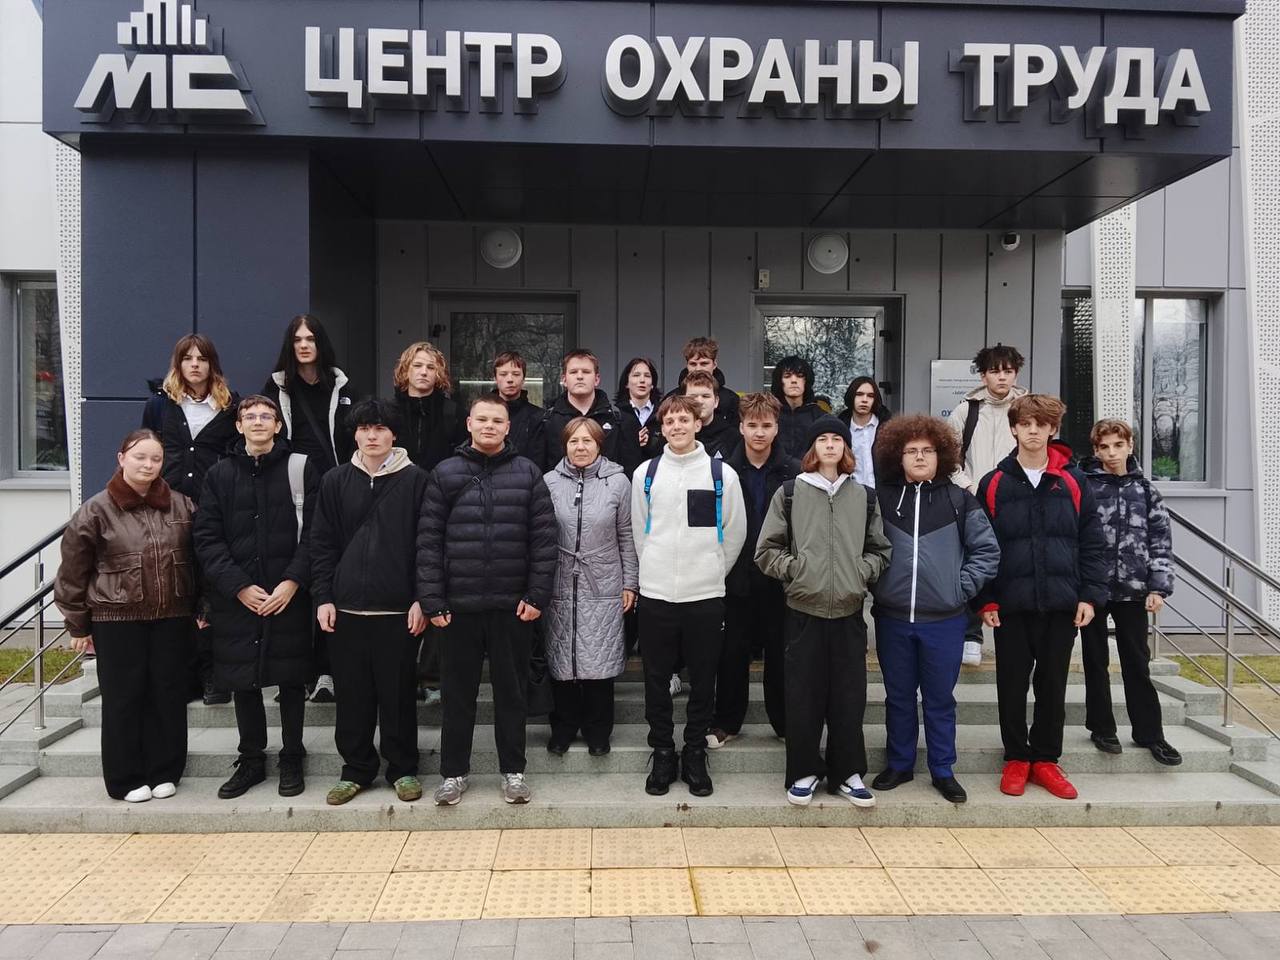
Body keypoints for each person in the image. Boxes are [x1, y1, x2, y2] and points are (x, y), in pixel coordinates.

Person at [418, 394, 559, 806]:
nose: (489, 426)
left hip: (512, 607)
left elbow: (544, 541)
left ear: (507, 427)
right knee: (457, 695)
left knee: (511, 695)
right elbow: (428, 541)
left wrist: (536, 595)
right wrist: (432, 600)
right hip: (457, 609)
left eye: (497, 420)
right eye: (482, 419)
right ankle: (453, 774)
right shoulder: (445, 473)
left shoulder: (528, 473)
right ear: (469, 424)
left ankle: (513, 772)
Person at [976, 394, 1108, 801]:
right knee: (1011, 684)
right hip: (1011, 605)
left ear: (1053, 429)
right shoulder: (993, 483)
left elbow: (1092, 543)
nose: (1033, 431)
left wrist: (1089, 596)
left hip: (1061, 603)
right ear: (1014, 428)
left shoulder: (1074, 481)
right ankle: (1017, 757)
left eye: (1041, 424)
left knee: (1052, 684)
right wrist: (987, 599)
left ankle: (1047, 759)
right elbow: (981, 546)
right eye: (1026, 424)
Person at [756, 416, 892, 808]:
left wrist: (860, 572)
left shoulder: (864, 496)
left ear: (846, 448)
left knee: (849, 697)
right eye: (822, 439)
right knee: (804, 697)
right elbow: (766, 550)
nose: (830, 445)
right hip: (804, 611)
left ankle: (848, 772)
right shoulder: (790, 493)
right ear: (812, 448)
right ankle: (804, 770)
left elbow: (880, 550)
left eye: (837, 439)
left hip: (848, 612)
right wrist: (797, 571)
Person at [55, 430, 196, 803]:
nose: (148, 465)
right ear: (121, 458)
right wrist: (77, 624)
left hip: (172, 615)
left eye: (155, 459)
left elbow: (198, 560)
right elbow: (72, 572)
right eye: (140, 457)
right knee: (123, 698)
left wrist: (202, 608)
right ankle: (125, 778)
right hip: (116, 619)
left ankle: (165, 770)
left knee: (168, 695)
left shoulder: (181, 505)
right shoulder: (96, 510)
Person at [869, 415, 1001, 805]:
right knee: (898, 697)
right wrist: (877, 585)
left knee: (940, 699)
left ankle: (943, 770)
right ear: (897, 456)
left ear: (941, 455)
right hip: (893, 618)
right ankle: (900, 764)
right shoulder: (882, 500)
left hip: (944, 620)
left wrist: (959, 589)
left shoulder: (960, 500)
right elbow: (864, 548)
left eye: (927, 450)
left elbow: (987, 551)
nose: (920, 457)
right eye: (911, 451)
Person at [193, 395, 320, 799]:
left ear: (278, 425)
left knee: (291, 678)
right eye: (250, 416)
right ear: (239, 425)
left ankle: (292, 755)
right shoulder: (219, 474)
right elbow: (207, 538)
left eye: (267, 416)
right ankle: (251, 758)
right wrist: (238, 586)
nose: (259, 422)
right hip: (238, 597)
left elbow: (317, 533)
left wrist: (293, 581)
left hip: (289, 593)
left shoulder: (300, 468)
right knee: (243, 680)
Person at [311, 398, 429, 806]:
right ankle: (356, 769)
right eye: (364, 428)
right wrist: (323, 596)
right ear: (355, 434)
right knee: (352, 695)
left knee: (398, 695)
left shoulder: (417, 480)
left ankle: (403, 768)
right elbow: (321, 544)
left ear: (394, 434)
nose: (372, 435)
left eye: (380, 428)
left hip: (398, 610)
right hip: (345, 609)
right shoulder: (335, 480)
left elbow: (427, 545)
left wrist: (422, 599)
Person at [632, 395, 746, 798]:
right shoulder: (646, 473)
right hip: (657, 594)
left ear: (698, 424)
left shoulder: (721, 474)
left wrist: (711, 572)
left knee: (703, 678)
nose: (677, 426)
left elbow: (734, 532)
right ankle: (663, 750)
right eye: (670, 421)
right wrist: (654, 571)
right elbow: (640, 531)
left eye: (684, 419)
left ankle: (695, 751)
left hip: (705, 595)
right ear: (661, 428)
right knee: (655, 678)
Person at [141, 333, 239, 706]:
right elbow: (146, 452)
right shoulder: (160, 406)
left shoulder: (229, 406)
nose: (195, 364)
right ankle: (182, 676)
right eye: (187, 358)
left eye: (202, 358)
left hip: (215, 510)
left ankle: (214, 674)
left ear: (213, 364)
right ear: (178, 363)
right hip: (168, 509)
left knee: (212, 590)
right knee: (175, 589)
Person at [1080, 419, 1182, 766]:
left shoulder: (1146, 491)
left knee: (1137, 662)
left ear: (1130, 446)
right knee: (1095, 660)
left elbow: (1161, 542)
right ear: (1096, 450)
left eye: (1118, 445)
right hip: (1094, 590)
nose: (1112, 453)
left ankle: (1150, 733)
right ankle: (1101, 727)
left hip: (1134, 591)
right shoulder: (1084, 487)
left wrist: (1158, 587)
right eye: (1104, 447)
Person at [264, 313, 354, 703]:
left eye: (310, 339)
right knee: (296, 575)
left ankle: (328, 671)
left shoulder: (341, 385)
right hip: (293, 488)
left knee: (330, 577)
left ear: (320, 343)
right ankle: (297, 672)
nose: (304, 345)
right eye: (298, 339)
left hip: (335, 488)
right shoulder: (276, 386)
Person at [543, 418, 639, 756]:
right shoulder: (550, 482)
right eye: (574, 441)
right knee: (562, 656)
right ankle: (564, 726)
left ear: (599, 445)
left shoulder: (618, 482)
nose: (580, 447)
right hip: (560, 580)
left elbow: (626, 535)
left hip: (604, 582)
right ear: (565, 445)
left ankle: (599, 730)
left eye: (587, 441)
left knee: (599, 657)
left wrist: (630, 583)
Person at [709, 393, 798, 746]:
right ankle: (727, 722)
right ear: (741, 427)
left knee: (781, 653)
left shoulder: (794, 472)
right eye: (752, 425)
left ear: (777, 428)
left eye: (766, 425)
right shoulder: (723, 471)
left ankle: (786, 722)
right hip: (736, 574)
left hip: (780, 578)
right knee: (731, 653)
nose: (759, 432)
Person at [950, 344, 1029, 667]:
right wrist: (968, 486)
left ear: (1016, 374)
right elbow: (949, 457)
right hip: (975, 499)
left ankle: (1016, 631)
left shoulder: (1027, 410)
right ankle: (971, 635)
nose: (1002, 377)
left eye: (1008, 371)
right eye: (995, 371)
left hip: (1018, 499)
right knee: (974, 563)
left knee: (1016, 564)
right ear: (983, 376)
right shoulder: (965, 411)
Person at [537, 350, 621, 470]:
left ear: (596, 379)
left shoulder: (617, 420)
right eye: (573, 372)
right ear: (564, 380)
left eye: (586, 372)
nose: (580, 376)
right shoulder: (546, 421)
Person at [391, 341, 465, 472]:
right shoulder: (389, 412)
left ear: (438, 374)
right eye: (417, 366)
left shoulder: (454, 413)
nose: (424, 372)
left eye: (431, 367)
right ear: (405, 370)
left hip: (442, 483)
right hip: (398, 483)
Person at [668, 336, 740, 427]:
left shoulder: (731, 400)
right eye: (693, 364)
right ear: (687, 365)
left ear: (714, 364)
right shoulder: (672, 398)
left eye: (704, 363)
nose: (698, 369)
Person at [613, 356, 663, 479]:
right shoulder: (615, 414)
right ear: (626, 383)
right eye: (636, 375)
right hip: (625, 480)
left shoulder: (663, 414)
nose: (642, 380)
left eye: (647, 376)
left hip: (657, 479)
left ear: (652, 384)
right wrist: (633, 441)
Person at [839, 376, 891, 490]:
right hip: (851, 493)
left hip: (884, 494)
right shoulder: (840, 430)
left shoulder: (889, 428)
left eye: (870, 396)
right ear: (851, 396)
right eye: (859, 394)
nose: (864, 400)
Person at [494, 351, 545, 461]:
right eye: (503, 374)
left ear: (523, 379)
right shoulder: (482, 415)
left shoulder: (538, 417)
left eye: (516, 374)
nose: (510, 380)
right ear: (495, 379)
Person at [770, 356, 824, 459]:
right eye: (787, 376)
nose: (794, 380)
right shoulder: (769, 413)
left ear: (806, 381)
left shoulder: (820, 417)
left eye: (799, 376)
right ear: (779, 381)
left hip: (809, 468)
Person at [682, 371, 741, 461]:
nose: (700, 401)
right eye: (693, 397)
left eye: (705, 396)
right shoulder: (675, 434)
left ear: (716, 401)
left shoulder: (732, 437)